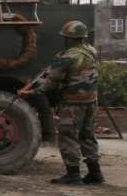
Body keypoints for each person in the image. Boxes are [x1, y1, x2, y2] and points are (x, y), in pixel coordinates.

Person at [18, 20, 103, 185]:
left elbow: (50, 85)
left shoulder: (65, 57)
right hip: (91, 101)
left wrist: (29, 93)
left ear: (69, 38)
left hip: (72, 103)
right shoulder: (92, 51)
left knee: (68, 136)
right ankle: (95, 173)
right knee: (88, 136)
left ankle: (73, 174)